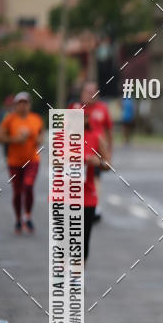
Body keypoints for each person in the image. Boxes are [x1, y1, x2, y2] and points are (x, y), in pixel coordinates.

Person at [0, 92, 44, 233]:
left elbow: (41, 136)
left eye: (26, 103)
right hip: (14, 161)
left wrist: (39, 139)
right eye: (20, 103)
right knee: (17, 192)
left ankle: (27, 216)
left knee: (28, 186)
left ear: (29, 105)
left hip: (32, 160)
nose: (23, 106)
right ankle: (18, 219)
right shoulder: (9, 120)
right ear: (16, 105)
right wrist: (15, 139)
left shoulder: (36, 119)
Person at [70, 81, 113, 221]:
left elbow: (108, 130)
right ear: (82, 93)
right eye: (88, 92)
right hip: (78, 149)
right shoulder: (75, 107)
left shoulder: (102, 109)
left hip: (97, 149)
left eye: (93, 92)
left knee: (95, 177)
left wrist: (109, 149)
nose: (91, 95)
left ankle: (95, 206)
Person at [83, 110, 111, 261]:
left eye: (85, 116)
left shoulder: (96, 138)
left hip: (87, 196)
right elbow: (53, 162)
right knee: (64, 239)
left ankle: (76, 277)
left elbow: (108, 164)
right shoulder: (62, 138)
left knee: (83, 240)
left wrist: (98, 162)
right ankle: (64, 275)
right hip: (64, 195)